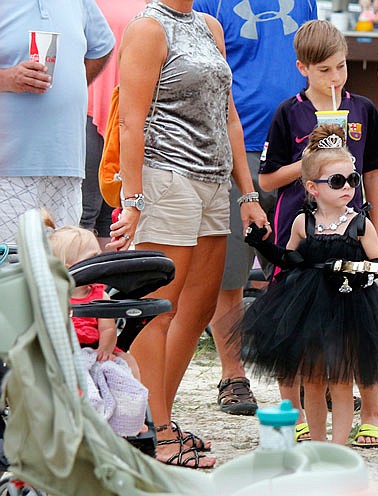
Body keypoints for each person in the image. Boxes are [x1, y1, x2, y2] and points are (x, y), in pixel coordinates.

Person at [110, 0, 268, 468]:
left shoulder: (209, 25)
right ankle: (152, 429)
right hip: (166, 179)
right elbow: (130, 120)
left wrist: (248, 192)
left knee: (197, 308)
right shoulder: (148, 27)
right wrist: (133, 199)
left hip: (214, 181)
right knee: (159, 311)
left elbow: (230, 116)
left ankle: (158, 418)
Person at [258, 19, 378, 446]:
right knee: (291, 323)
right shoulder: (288, 112)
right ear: (303, 68)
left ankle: (369, 411)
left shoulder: (362, 110)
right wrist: (313, 158)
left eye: (341, 67)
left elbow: (372, 173)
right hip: (299, 229)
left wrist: (376, 227)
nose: (335, 77)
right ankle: (293, 411)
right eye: (324, 70)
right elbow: (267, 181)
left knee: (358, 323)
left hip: (349, 231)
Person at [242, 123, 378, 445]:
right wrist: (263, 245)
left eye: (353, 179)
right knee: (313, 378)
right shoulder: (302, 222)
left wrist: (349, 268)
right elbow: (291, 260)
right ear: (313, 187)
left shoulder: (359, 224)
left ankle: (339, 447)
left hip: (350, 305)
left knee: (341, 380)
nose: (347, 187)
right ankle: (318, 443)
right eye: (337, 181)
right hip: (307, 306)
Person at [191, 0, 317, 417]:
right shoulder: (209, 4)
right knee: (228, 272)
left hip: (297, 149)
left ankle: (311, 378)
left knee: (302, 271)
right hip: (233, 151)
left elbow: (314, 59)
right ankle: (233, 374)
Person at [0, 0, 114, 242]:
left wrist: (70, 89)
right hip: (9, 165)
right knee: (9, 269)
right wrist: (7, 78)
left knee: (62, 267)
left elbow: (101, 46)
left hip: (66, 162)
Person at [81, 0, 148, 250]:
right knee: (87, 207)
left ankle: (104, 284)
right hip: (91, 107)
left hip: (132, 109)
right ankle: (78, 282)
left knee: (113, 204)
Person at [48, 224, 140, 379]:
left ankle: (133, 400)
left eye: (98, 256)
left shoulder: (100, 295)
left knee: (129, 361)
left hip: (95, 347)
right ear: (68, 267)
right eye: (91, 259)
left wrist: (104, 350)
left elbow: (108, 329)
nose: (97, 263)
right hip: (62, 351)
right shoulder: (52, 296)